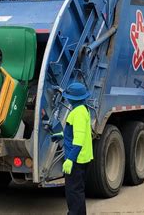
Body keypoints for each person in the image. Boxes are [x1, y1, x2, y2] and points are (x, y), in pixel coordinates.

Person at [51, 82, 93, 215]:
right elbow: (78, 132)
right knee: (78, 192)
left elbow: (79, 141)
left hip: (76, 160)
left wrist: (70, 159)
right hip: (82, 158)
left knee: (73, 193)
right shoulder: (83, 109)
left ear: (72, 98)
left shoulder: (78, 113)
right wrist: (63, 135)